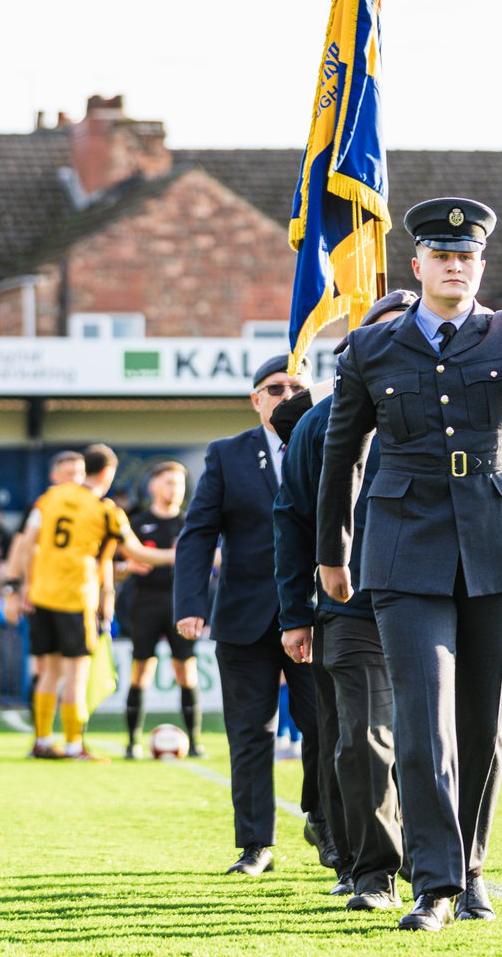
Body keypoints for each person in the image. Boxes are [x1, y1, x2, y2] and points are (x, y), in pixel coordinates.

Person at [316, 196, 502, 931]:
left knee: (483, 718)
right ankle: (435, 885)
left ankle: (471, 867)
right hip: (403, 544)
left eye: (467, 256)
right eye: (441, 256)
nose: (455, 264)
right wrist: (331, 553)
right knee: (421, 719)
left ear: (480, 265)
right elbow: (340, 456)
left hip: (494, 540)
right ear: (416, 266)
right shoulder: (369, 348)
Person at [275, 291, 415, 912]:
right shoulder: (318, 422)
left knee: (432, 739)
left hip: (433, 603)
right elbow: (293, 521)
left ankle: (433, 863)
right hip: (349, 610)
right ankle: (368, 868)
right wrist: (295, 614)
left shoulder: (444, 413)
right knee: (358, 740)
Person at [174, 354, 334, 878]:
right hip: (244, 618)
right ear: (255, 398)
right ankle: (255, 846)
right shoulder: (226, 455)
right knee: (249, 734)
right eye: (274, 388)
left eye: (296, 387)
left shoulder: (330, 444)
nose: (286, 396)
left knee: (325, 728)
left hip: (317, 615)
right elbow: (198, 532)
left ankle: (324, 822)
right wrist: (191, 604)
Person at [20, 444, 173, 760]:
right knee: (76, 673)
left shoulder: (51, 498)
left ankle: (43, 740)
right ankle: (75, 744)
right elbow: (137, 552)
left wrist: (20, 584)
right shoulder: (106, 510)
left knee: (49, 670)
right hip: (76, 598)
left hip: (42, 595)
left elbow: (28, 541)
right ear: (108, 472)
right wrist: (176, 555)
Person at [120, 461, 204, 759]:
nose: (175, 489)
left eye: (179, 483)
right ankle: (132, 742)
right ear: (153, 486)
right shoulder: (137, 524)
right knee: (141, 669)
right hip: (145, 602)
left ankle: (194, 742)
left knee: (185, 670)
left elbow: (210, 560)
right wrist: (126, 566)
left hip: (180, 603)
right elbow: (119, 562)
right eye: (169, 482)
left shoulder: (190, 523)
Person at [2, 450, 87, 702]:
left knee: (73, 669)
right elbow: (23, 545)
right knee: (44, 664)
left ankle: (72, 737)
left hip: (78, 596)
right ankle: (41, 732)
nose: (74, 479)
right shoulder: (42, 505)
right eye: (68, 473)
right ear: (54, 476)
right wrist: (17, 587)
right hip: (43, 594)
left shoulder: (92, 507)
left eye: (79, 473)